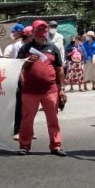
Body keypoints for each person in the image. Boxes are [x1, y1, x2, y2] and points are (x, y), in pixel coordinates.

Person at [16, 20, 66, 156]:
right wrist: (26, 62)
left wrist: (62, 89)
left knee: (53, 119)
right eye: (38, 34)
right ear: (32, 34)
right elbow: (17, 67)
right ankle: (24, 145)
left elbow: (59, 70)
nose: (40, 37)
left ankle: (56, 146)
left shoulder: (53, 48)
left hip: (50, 90)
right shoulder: (25, 49)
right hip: (29, 90)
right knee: (27, 119)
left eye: (43, 34)